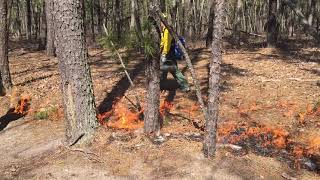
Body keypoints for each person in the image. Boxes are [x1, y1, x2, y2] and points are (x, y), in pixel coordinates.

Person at [160, 15, 190, 92]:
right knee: (169, 71)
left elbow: (167, 43)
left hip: (168, 54)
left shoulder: (166, 30)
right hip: (169, 53)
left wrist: (164, 54)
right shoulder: (164, 30)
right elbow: (163, 42)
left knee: (167, 70)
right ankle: (184, 86)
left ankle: (161, 87)